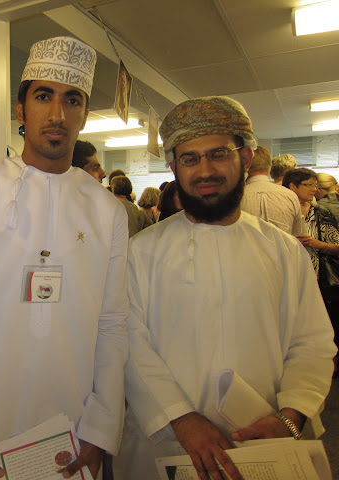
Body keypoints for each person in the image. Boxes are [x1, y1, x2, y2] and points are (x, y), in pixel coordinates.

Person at [0, 36, 128, 480]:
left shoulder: (106, 210)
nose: (57, 114)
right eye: (43, 96)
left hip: (75, 435)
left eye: (72, 100)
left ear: (84, 114)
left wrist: (100, 429)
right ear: (21, 110)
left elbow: (113, 323)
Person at [114, 96, 336, 480]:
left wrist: (290, 417)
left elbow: (312, 343)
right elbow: (129, 343)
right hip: (165, 444)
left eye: (218, 154)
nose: (205, 170)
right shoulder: (141, 252)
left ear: (245, 158)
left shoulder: (284, 251)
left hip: (263, 445)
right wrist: (182, 420)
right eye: (190, 158)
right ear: (174, 167)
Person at [284, 168, 339, 373]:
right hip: (289, 279)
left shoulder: (321, 213)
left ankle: (325, 367)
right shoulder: (283, 211)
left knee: (321, 325)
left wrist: (318, 244)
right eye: (309, 185)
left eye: (315, 185)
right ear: (293, 186)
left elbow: (336, 246)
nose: (314, 189)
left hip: (318, 280)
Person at [240, 145, 303, 235]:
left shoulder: (236, 198)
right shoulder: (290, 196)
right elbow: (299, 236)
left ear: (245, 164)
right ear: (269, 167)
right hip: (284, 244)